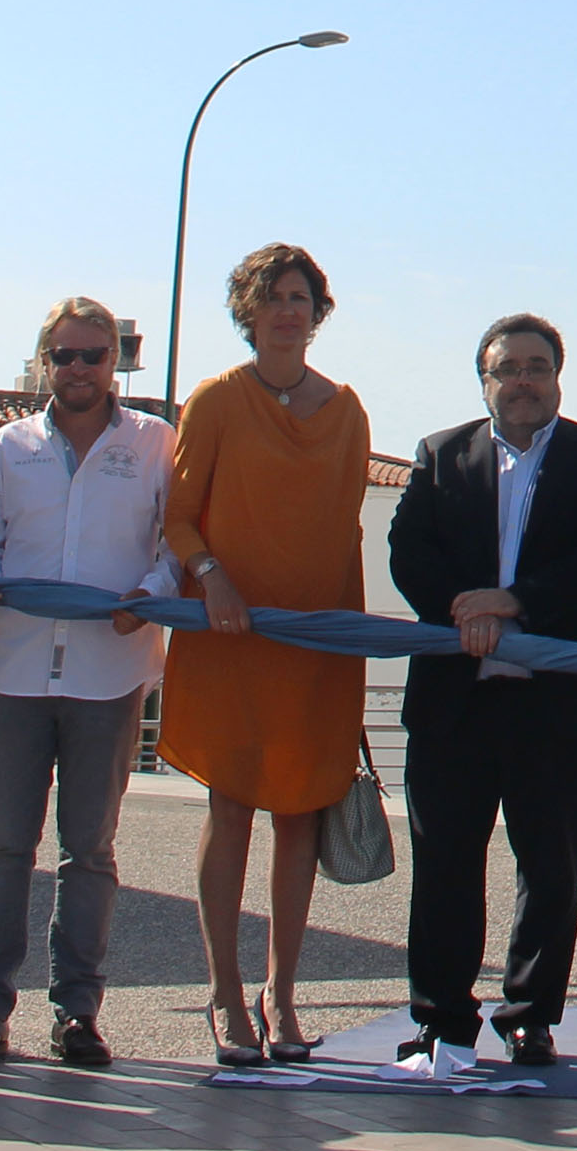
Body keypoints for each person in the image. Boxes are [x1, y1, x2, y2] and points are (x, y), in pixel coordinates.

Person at [389, 312, 577, 1070]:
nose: (523, 380)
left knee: (551, 864)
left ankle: (530, 1014)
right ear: (485, 378)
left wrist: (516, 601)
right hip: (453, 699)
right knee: (444, 865)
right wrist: (464, 604)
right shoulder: (439, 455)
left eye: (537, 366)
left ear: (558, 375)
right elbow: (409, 551)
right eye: (508, 368)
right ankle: (442, 1018)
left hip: (556, 701)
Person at [0, 297, 173, 1068]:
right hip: (16, 669)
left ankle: (78, 1010)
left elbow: (170, 547)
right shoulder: (8, 446)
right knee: (4, 843)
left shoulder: (153, 443)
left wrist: (151, 590)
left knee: (90, 850)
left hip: (111, 676)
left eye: (93, 355)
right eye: (64, 355)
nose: (78, 369)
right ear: (44, 360)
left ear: (116, 362)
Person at [159, 241, 370, 1067]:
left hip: (315, 640)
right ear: (249, 308)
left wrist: (343, 629)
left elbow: (344, 523)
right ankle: (222, 992)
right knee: (232, 807)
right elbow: (179, 515)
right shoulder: (214, 400)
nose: (288, 308)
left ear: (318, 310)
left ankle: (282, 996)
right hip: (229, 635)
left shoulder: (348, 409)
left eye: (301, 295)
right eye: (274, 294)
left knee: (300, 814)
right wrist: (210, 577)